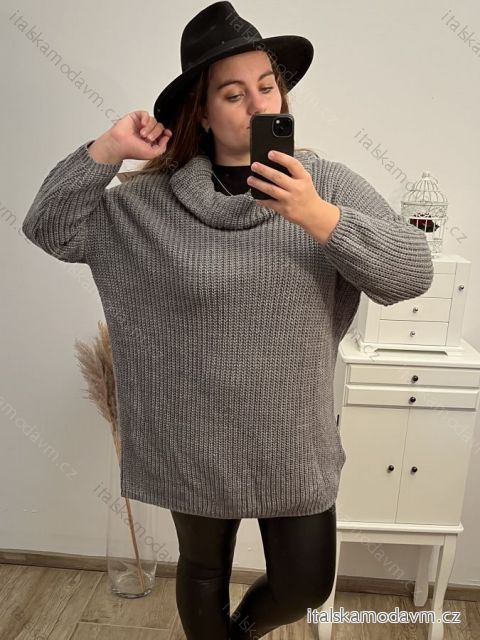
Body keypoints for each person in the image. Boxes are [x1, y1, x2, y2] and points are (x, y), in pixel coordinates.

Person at [22, 2, 434, 638]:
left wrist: (316, 216)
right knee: (203, 570)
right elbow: (49, 226)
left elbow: (412, 271)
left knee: (304, 585)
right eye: (234, 95)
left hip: (292, 438)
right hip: (193, 435)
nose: (258, 105)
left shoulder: (324, 185)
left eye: (267, 87)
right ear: (203, 113)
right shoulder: (149, 203)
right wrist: (107, 149)